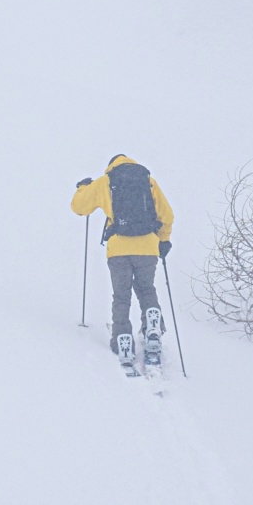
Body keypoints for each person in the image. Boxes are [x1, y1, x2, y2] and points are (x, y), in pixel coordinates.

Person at [71, 154, 174, 362]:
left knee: (121, 295)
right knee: (146, 288)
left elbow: (79, 207)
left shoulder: (106, 182)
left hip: (119, 248)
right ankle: (152, 322)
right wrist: (163, 240)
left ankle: (122, 337)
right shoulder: (148, 181)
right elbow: (167, 215)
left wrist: (83, 188)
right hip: (147, 247)